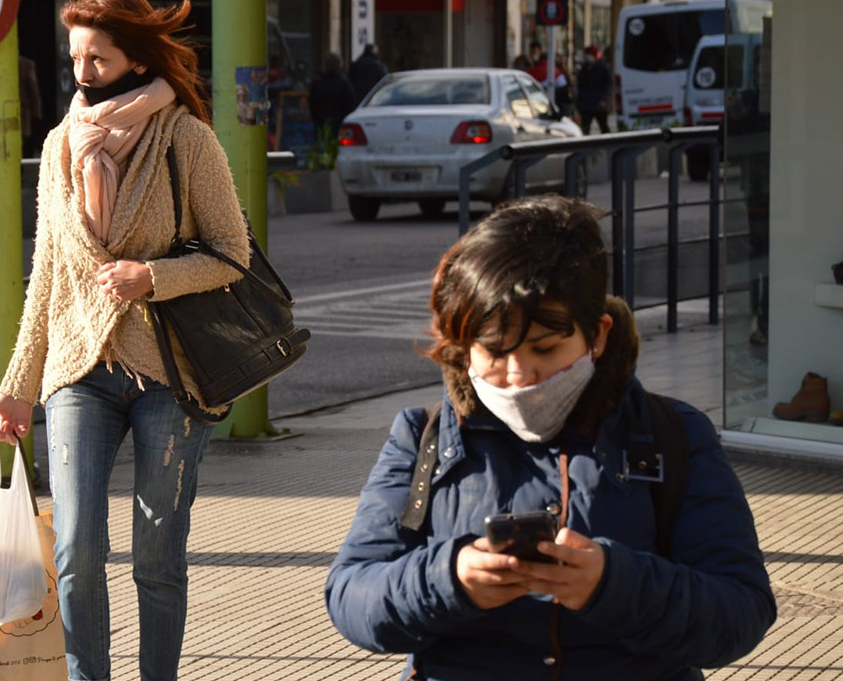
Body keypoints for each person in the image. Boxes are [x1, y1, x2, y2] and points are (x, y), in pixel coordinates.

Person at [326, 195, 776, 680]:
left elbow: (739, 611)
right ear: (463, 344)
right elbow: (352, 596)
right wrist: (449, 578)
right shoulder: (423, 438)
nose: (519, 375)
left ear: (597, 335)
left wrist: (612, 583)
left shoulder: (673, 434)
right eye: (494, 352)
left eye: (546, 348)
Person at [0, 0, 250, 680]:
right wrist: (16, 388)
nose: (83, 71)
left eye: (98, 56)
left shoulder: (185, 138)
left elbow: (231, 253)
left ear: (135, 58)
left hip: (170, 371)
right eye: (76, 56)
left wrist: (152, 277)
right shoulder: (62, 141)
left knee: (157, 554)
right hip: (80, 371)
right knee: (75, 547)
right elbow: (46, 276)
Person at [576, 44, 612, 134]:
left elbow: (608, 85)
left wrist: (605, 99)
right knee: (585, 129)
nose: (587, 57)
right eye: (586, 55)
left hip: (600, 104)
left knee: (604, 127)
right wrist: (579, 103)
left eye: (589, 55)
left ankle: (609, 146)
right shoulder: (583, 69)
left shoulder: (603, 68)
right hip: (586, 105)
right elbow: (580, 87)